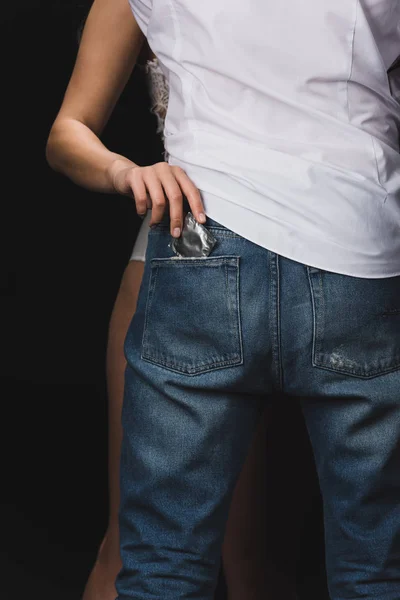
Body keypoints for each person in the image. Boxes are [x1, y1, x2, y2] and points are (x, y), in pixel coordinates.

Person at [47, 0, 400, 598]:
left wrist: (125, 174)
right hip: (350, 250)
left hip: (204, 243)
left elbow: (66, 129)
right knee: (376, 570)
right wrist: (127, 172)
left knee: (165, 563)